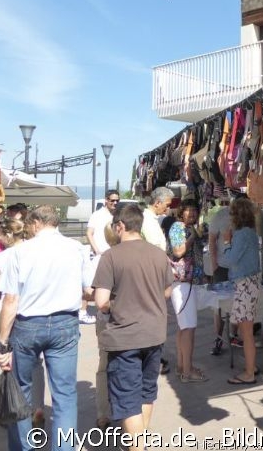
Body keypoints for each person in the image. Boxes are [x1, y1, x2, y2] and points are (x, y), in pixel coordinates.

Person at [0, 205, 93, 451]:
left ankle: (24, 447)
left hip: (28, 324)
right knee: (65, 395)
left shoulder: (21, 252)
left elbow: (10, 299)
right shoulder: (77, 249)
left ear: (36, 223)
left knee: (22, 390)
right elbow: (88, 290)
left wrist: (2, 342)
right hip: (65, 323)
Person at [93, 203, 173, 451]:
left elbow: (101, 301)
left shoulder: (111, 256)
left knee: (127, 399)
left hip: (125, 336)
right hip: (155, 333)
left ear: (120, 226)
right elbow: (168, 291)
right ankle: (138, 441)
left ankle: (137, 446)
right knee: (147, 391)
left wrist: (119, 303)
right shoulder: (159, 254)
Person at [0, 214, 46, 429]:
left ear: (8, 234)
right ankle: (37, 408)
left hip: (4, 312)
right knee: (35, 364)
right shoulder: (36, 254)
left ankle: (10, 408)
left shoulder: (1, 258)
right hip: (31, 313)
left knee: (4, 363)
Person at [220, 197, 261, 385]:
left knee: (246, 332)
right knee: (247, 331)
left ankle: (249, 372)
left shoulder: (242, 234)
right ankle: (251, 366)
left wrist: (227, 243)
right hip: (249, 283)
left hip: (245, 284)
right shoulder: (250, 232)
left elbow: (230, 260)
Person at [168, 198, 208, 383]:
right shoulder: (178, 228)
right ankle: (187, 371)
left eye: (194, 211)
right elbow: (178, 251)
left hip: (190, 282)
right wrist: (193, 236)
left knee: (184, 328)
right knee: (189, 328)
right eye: (188, 210)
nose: (191, 214)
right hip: (182, 282)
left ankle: (181, 366)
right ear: (181, 211)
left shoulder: (192, 228)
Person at [141, 186, 174, 376]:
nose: (168, 209)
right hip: (152, 278)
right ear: (158, 202)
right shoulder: (147, 221)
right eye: (167, 205)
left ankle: (154, 355)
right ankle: (152, 357)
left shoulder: (151, 220)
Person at [83, 189, 120, 325]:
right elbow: (89, 233)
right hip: (100, 255)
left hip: (113, 254)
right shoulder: (97, 215)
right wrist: (96, 250)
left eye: (117, 200)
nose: (115, 203)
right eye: (112, 200)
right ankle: (82, 310)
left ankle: (105, 309)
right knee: (91, 284)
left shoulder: (116, 216)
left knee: (110, 284)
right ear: (106, 200)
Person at [207, 196, 233, 355]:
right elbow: (212, 241)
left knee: (236, 302)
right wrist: (214, 264)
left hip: (238, 266)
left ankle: (234, 335)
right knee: (219, 304)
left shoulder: (244, 215)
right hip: (223, 266)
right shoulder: (220, 216)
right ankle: (218, 338)